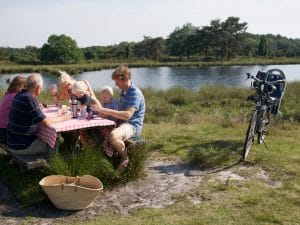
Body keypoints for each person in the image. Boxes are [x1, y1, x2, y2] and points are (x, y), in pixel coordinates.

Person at [91, 65, 146, 172]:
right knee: (95, 130)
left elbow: (127, 115)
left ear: (125, 79)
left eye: (117, 81)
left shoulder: (135, 94)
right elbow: (119, 111)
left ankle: (124, 157)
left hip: (132, 125)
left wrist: (104, 110)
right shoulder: (124, 91)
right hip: (121, 123)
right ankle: (104, 159)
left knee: (113, 136)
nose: (115, 84)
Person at [7, 73, 72, 155]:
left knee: (46, 137)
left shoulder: (19, 95)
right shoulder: (28, 98)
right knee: (53, 141)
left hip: (12, 141)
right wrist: (63, 117)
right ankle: (53, 163)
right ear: (38, 88)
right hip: (22, 146)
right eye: (41, 88)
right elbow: (46, 122)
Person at [0, 75, 26, 144]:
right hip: (4, 133)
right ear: (21, 87)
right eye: (25, 87)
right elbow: (29, 112)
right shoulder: (16, 97)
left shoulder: (8, 94)